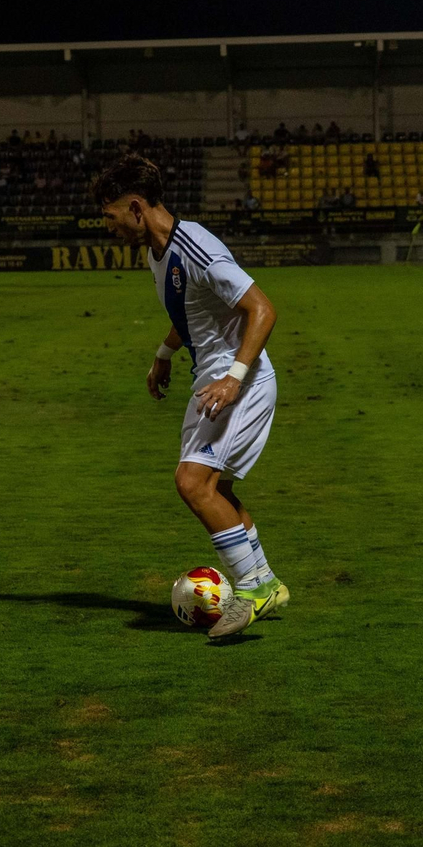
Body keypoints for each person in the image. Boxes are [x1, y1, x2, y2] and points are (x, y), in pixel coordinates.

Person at [91, 154, 286, 640]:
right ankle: (268, 581)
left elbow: (262, 308)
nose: (109, 228)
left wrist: (235, 378)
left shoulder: (197, 247)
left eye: (111, 216)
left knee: (192, 483)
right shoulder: (159, 253)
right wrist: (164, 353)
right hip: (211, 378)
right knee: (215, 489)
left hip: (238, 380)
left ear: (136, 208)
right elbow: (192, 310)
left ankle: (254, 586)